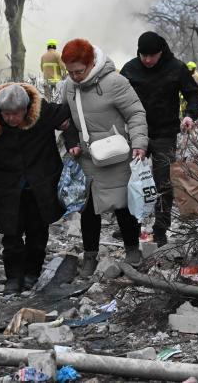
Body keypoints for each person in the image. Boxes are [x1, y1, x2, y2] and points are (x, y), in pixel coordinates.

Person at [0, 83, 75, 294]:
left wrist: (69, 134)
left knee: (38, 233)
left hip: (40, 183)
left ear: (26, 110)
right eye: (7, 115)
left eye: (16, 114)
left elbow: (69, 115)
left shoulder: (43, 112)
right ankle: (13, 278)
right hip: (7, 186)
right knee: (11, 235)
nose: (12, 119)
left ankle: (32, 273)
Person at [59, 38, 149, 276]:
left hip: (117, 155)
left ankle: (132, 251)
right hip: (87, 158)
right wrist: (71, 143)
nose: (75, 76)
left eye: (79, 71)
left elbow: (136, 113)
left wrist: (139, 143)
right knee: (88, 209)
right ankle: (90, 256)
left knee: (123, 205)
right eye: (70, 72)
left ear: (91, 63)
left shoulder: (115, 82)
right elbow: (65, 120)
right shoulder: (68, 87)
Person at [120, 31, 198, 247]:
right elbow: (116, 97)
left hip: (165, 133)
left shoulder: (176, 68)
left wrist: (190, 114)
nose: (147, 60)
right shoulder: (129, 69)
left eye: (152, 55)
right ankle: (130, 227)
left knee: (163, 182)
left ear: (161, 52)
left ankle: (160, 229)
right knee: (130, 181)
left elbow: (193, 93)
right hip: (136, 133)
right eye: (143, 55)